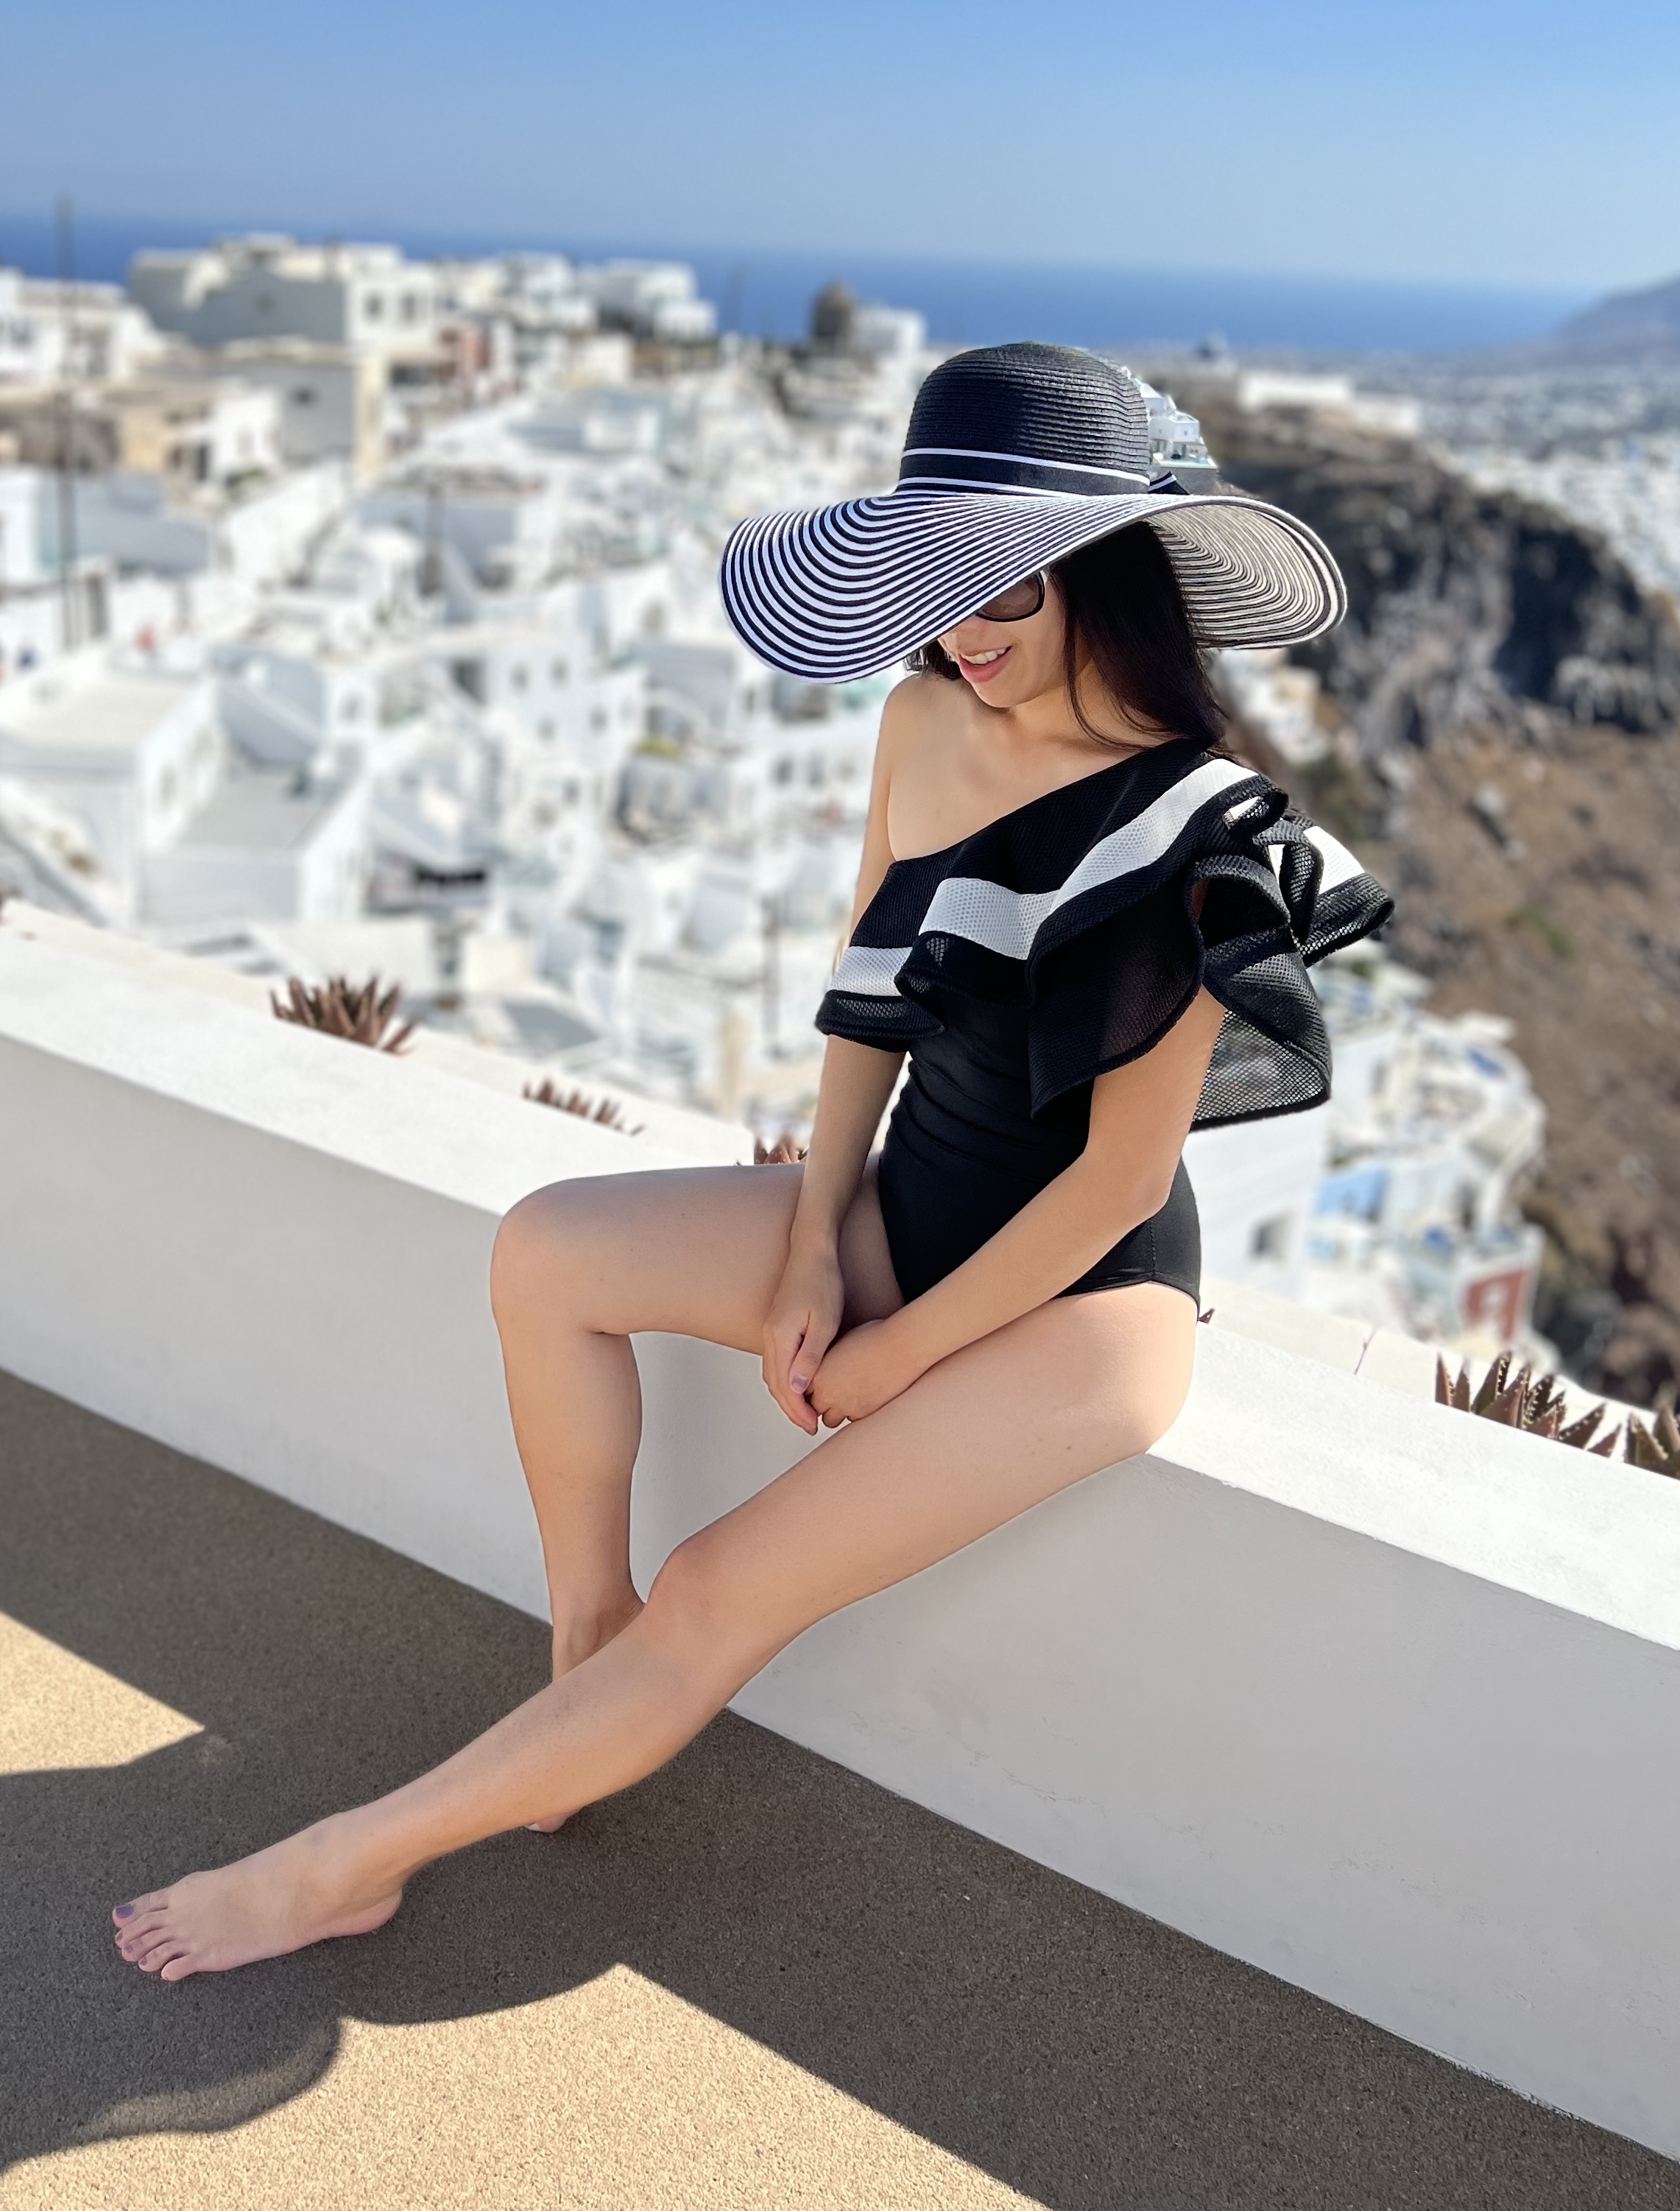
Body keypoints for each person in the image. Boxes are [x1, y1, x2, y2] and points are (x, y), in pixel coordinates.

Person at [113, 342, 1391, 1981]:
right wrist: (810, 1243)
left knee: (724, 1585)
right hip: (905, 1209)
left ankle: (341, 1867)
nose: (960, 626)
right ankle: (588, 1641)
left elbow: (1115, 1187)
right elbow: (873, 995)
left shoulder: (1211, 838)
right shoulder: (927, 721)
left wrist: (891, 1355)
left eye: (1001, 579)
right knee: (547, 1251)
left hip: (1087, 1306)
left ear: (1102, 570)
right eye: (941, 577)